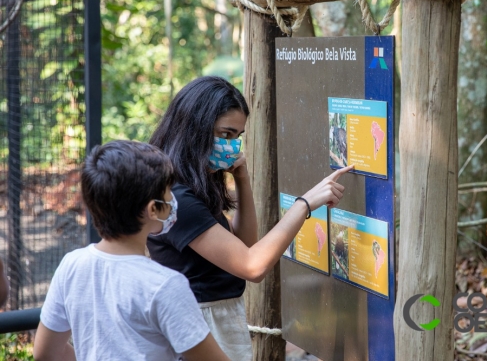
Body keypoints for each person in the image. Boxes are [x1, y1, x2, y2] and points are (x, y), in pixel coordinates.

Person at [148, 76, 353, 360]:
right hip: (200, 320)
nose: (233, 145)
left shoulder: (191, 184)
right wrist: (305, 204)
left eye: (238, 137)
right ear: (195, 129)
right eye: (225, 134)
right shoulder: (177, 198)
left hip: (215, 315)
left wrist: (241, 179)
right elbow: (253, 266)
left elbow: (245, 244)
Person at [33, 140, 230, 361]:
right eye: (167, 192)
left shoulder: (71, 265)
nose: (173, 200)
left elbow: (45, 353)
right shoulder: (165, 284)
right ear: (153, 209)